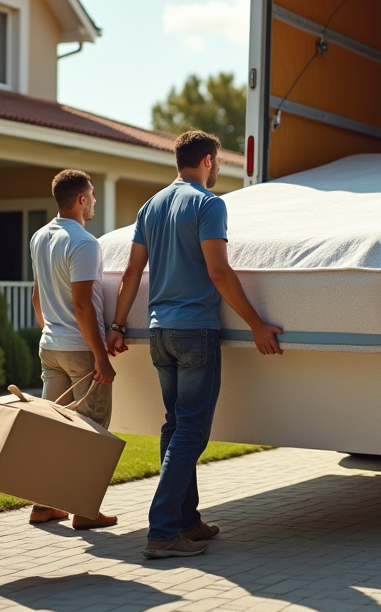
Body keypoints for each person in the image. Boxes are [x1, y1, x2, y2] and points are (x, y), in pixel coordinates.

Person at [106, 130, 283, 559]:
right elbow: (219, 272)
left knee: (175, 426)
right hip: (195, 333)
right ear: (206, 160)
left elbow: (132, 274)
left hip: (159, 334)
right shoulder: (209, 204)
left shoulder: (151, 206)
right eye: (218, 161)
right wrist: (258, 325)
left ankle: (188, 521)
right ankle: (164, 531)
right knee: (191, 431)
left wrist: (116, 325)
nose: (219, 169)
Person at [26, 168, 118, 530]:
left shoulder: (39, 237)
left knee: (56, 428)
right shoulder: (84, 243)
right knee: (93, 433)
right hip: (81, 350)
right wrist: (101, 356)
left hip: (50, 346)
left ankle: (43, 504)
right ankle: (85, 510)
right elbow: (83, 306)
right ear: (81, 200)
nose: (94, 200)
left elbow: (36, 296)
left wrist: (51, 333)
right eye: (92, 195)